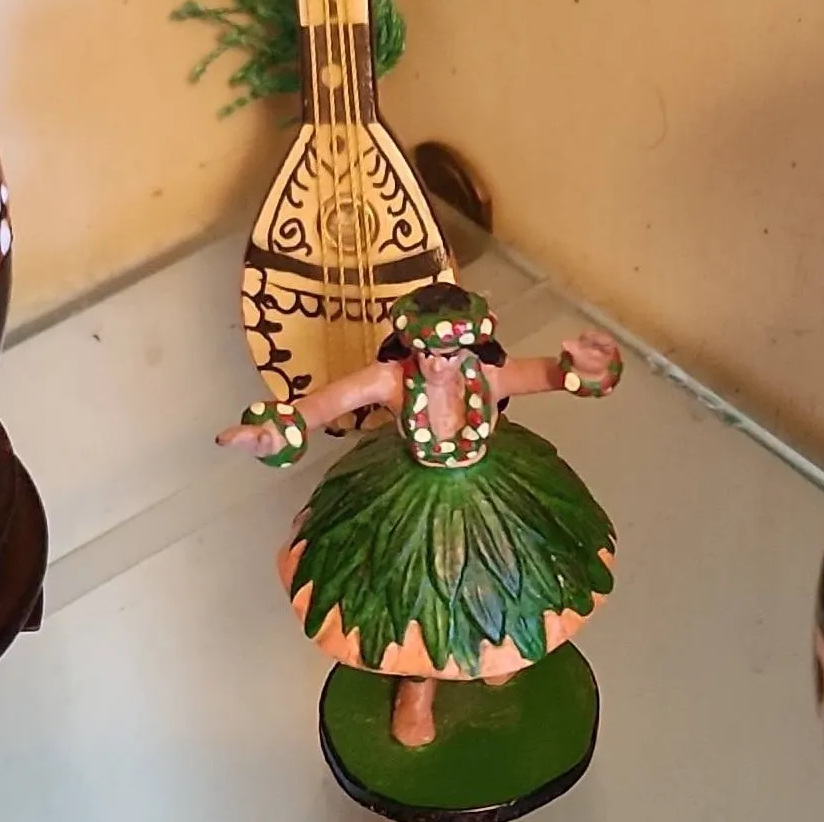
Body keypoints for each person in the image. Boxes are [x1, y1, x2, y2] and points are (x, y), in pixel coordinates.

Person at [219, 282, 622, 750]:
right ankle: (417, 693)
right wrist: (274, 432)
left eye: (448, 354)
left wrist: (585, 368)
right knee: (415, 601)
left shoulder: (488, 376)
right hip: (411, 498)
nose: (436, 364)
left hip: (489, 492)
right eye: (426, 352)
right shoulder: (391, 379)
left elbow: (551, 375)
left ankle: (503, 650)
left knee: (510, 576)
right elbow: (324, 404)